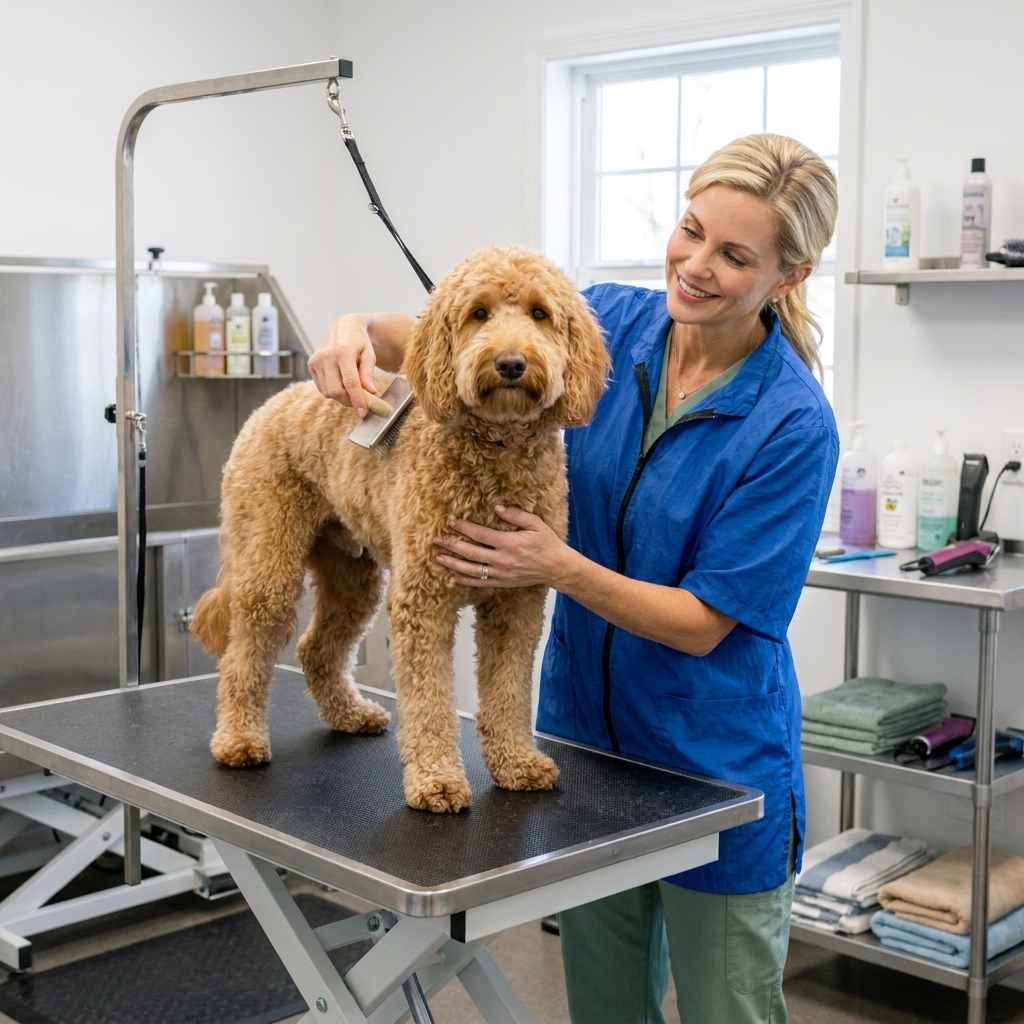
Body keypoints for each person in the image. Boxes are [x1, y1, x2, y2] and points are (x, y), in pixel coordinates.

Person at [308, 133, 839, 1024]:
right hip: (584, 748)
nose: (696, 265)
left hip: (709, 763)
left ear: (789, 276)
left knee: (724, 1012)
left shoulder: (791, 422)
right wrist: (356, 328)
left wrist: (555, 567)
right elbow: (434, 338)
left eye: (734, 255)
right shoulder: (605, 323)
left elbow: (707, 621)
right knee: (601, 1006)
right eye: (690, 231)